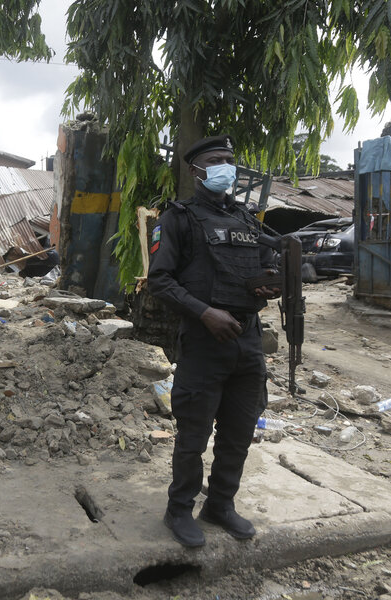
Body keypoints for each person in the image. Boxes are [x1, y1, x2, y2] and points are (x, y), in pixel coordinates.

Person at [147, 134, 279, 547]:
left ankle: (220, 504)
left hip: (248, 341)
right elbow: (159, 281)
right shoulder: (177, 219)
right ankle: (179, 509)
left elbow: (263, 263)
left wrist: (268, 284)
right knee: (193, 435)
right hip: (205, 343)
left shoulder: (244, 220)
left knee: (238, 431)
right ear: (196, 170)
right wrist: (205, 312)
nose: (227, 167)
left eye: (230, 159)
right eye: (217, 160)